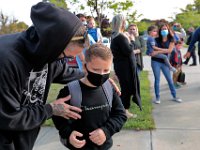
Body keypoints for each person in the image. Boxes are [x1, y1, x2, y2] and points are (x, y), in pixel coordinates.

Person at [0, 2, 91, 150]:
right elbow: (9, 118)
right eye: (66, 57)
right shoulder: (6, 60)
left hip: (24, 138)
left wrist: (96, 77)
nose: (64, 62)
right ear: (53, 45)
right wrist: (50, 109)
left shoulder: (47, 54)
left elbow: (68, 73)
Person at [52, 43, 127, 150]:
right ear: (85, 67)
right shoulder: (70, 91)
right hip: (79, 147)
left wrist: (106, 131)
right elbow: (58, 116)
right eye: (96, 70)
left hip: (104, 146)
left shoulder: (109, 88)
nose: (101, 74)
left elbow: (120, 114)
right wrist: (68, 134)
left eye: (106, 70)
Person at [110, 14, 142, 118]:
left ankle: (121, 109)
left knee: (126, 88)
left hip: (124, 66)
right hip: (124, 67)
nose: (126, 23)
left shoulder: (120, 35)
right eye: (124, 21)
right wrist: (132, 40)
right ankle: (124, 111)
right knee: (126, 89)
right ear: (121, 23)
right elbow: (128, 51)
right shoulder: (119, 36)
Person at [151, 23, 182, 104]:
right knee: (157, 80)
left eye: (165, 29)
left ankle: (174, 96)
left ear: (168, 30)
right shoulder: (156, 39)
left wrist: (158, 51)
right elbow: (152, 51)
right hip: (155, 61)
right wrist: (164, 50)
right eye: (162, 29)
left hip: (165, 62)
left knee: (169, 80)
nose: (164, 30)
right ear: (160, 30)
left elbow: (170, 51)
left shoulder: (171, 39)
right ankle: (157, 98)